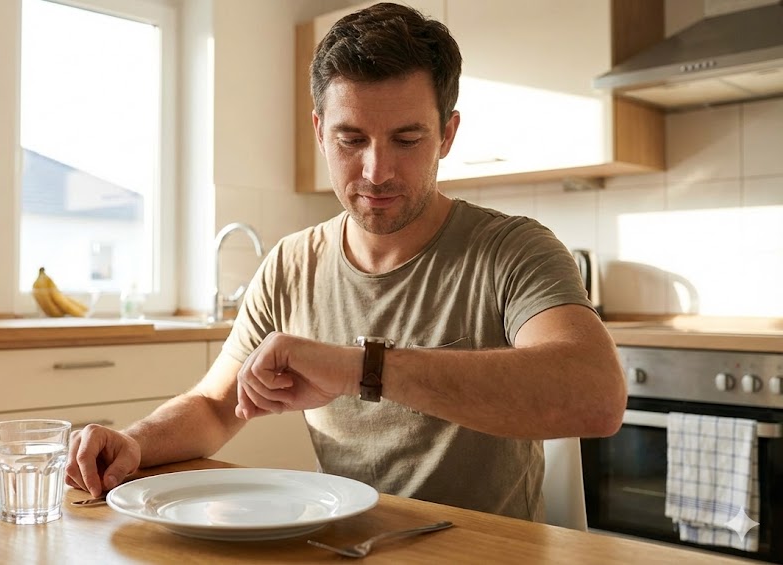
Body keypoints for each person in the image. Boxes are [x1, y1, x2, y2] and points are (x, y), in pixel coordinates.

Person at [65, 2, 625, 521]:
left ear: (447, 135)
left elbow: (597, 398)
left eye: (407, 139)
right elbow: (215, 407)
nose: (377, 171)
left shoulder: (513, 250)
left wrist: (359, 368)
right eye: (351, 138)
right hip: (349, 544)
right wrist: (135, 441)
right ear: (319, 132)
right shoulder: (291, 265)